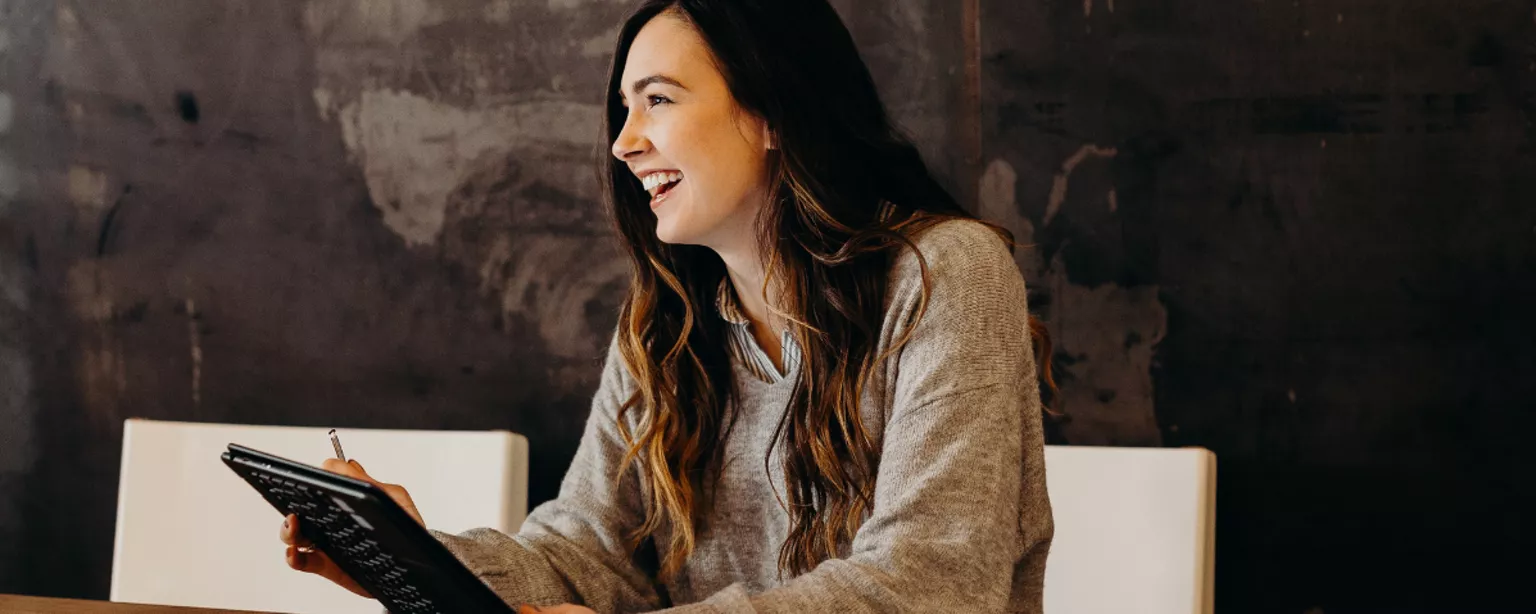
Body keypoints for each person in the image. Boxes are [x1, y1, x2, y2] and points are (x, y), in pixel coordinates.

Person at [279, 0, 1056, 611]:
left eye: (657, 99)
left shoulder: (944, 275)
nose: (623, 141)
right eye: (624, 107)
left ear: (770, 113)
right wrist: (417, 559)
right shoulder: (666, 323)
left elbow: (933, 586)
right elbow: (584, 557)